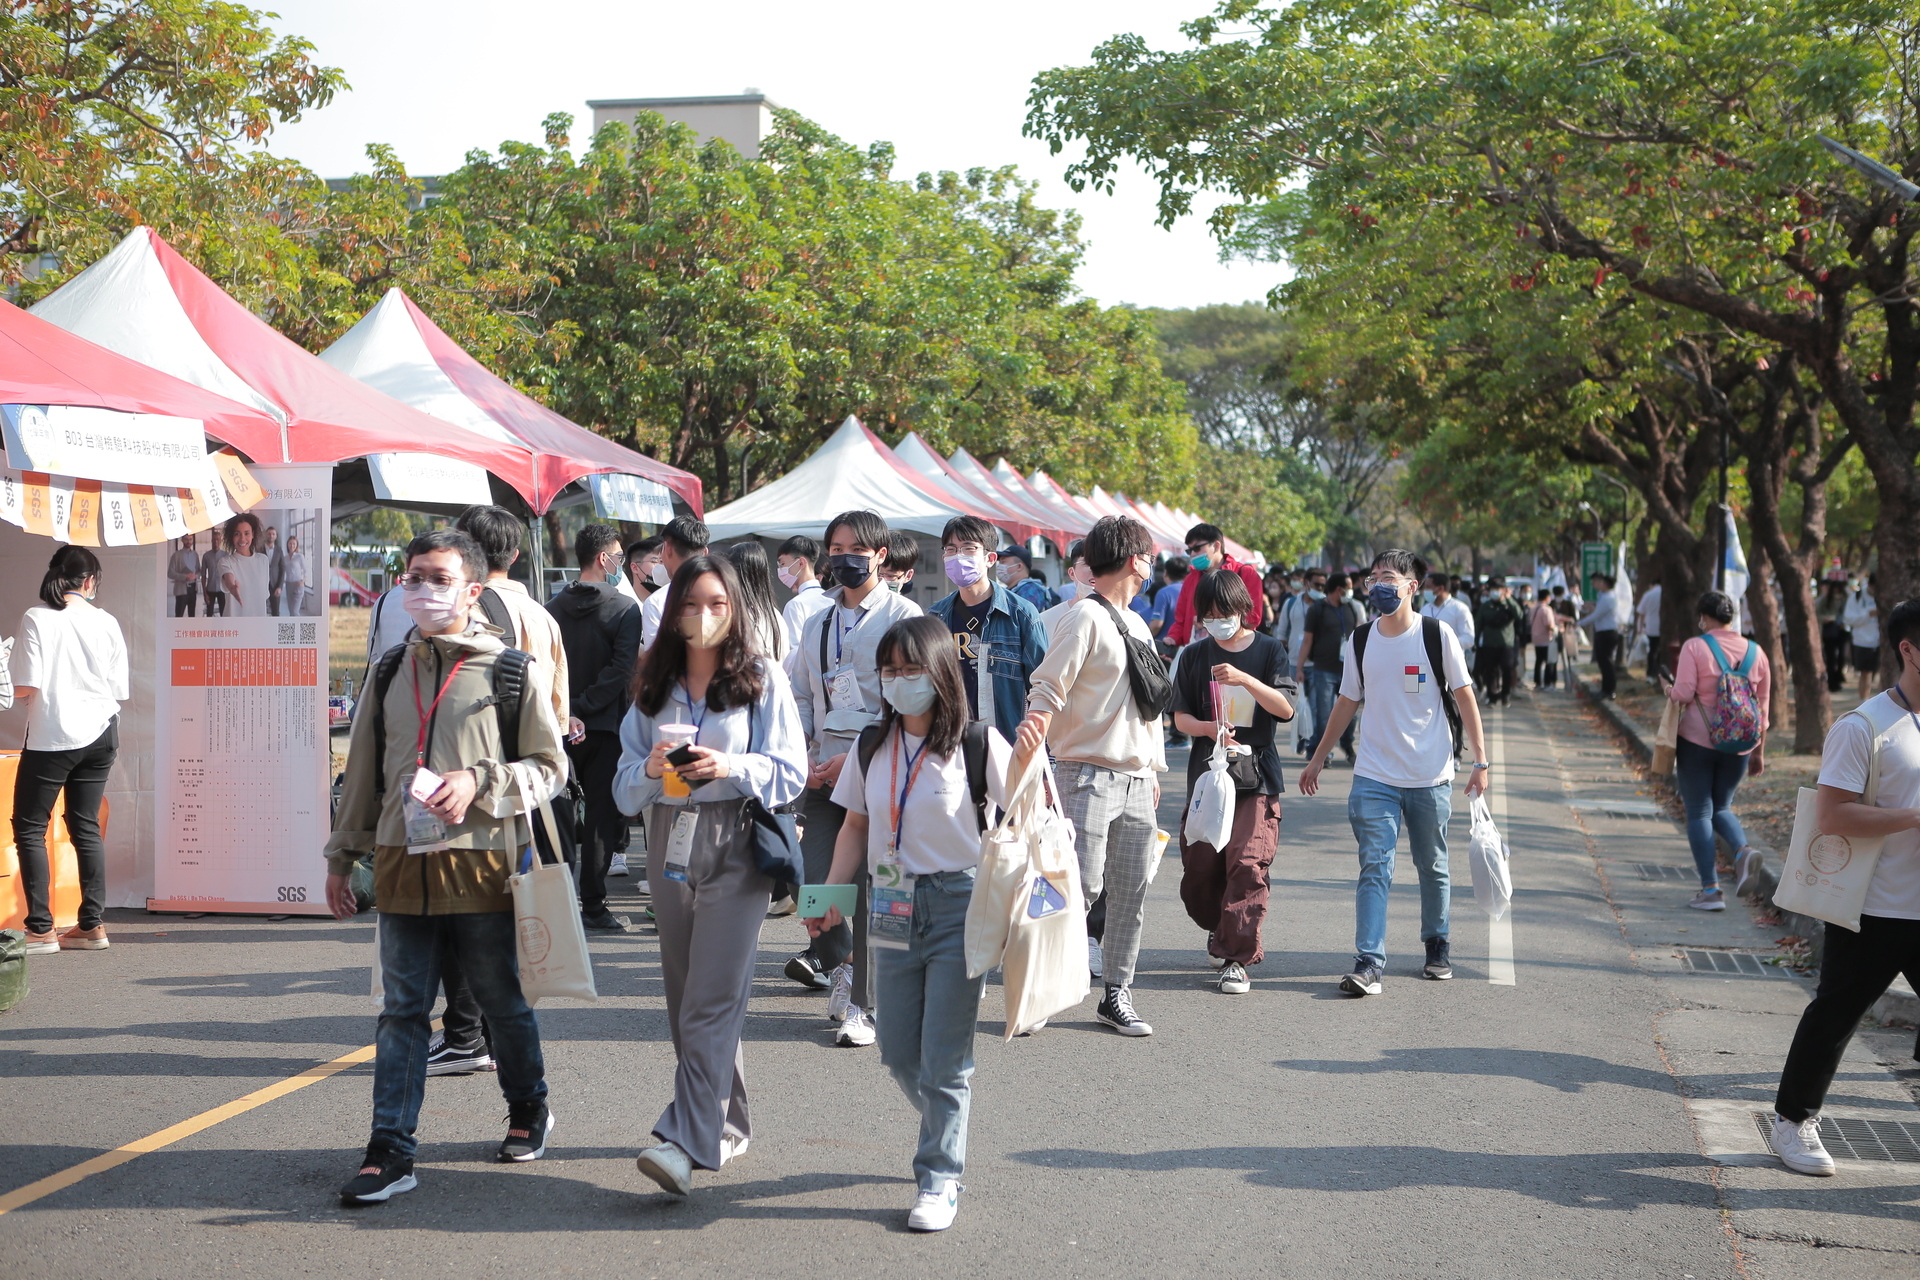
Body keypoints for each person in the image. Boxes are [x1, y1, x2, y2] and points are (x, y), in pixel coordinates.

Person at [324, 529, 568, 1204]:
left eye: (438, 578)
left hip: (482, 865)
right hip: (404, 864)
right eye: (413, 577)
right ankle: (390, 1150)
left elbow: (551, 768)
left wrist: (480, 780)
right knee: (402, 1011)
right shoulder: (391, 667)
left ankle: (528, 1107)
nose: (422, 590)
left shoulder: (510, 669)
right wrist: (342, 855)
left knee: (499, 1002)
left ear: (472, 589)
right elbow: (365, 770)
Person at [810, 616, 1023, 1230]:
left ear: (941, 674)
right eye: (890, 671)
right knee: (898, 1049)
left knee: (945, 1055)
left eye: (912, 670)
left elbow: (1028, 815)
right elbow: (854, 826)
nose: (900, 682)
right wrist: (826, 896)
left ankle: (938, 1176)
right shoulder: (872, 745)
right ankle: (945, 1123)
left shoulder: (978, 743)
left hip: (960, 902)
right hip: (889, 901)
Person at [612, 554, 807, 1197]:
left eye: (717, 604)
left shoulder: (763, 677)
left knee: (711, 999)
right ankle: (727, 1119)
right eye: (691, 604)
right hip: (667, 841)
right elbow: (620, 788)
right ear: (672, 613)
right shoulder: (651, 683)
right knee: (685, 996)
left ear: (737, 610)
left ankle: (683, 1141)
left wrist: (729, 766)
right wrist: (649, 771)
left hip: (736, 839)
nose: (703, 616)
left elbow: (789, 772)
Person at [419, 504, 575, 1077]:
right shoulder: (543, 614)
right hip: (527, 785)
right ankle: (495, 1035)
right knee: (509, 916)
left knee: (460, 923)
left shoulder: (460, 609)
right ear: (515, 552)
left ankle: (467, 1035)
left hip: (461, 786)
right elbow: (558, 708)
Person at [1768, 599, 1920, 1177]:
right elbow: (1833, 816)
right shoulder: (1864, 728)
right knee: (1836, 1014)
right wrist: (1912, 818)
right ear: (1907, 650)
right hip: (1875, 906)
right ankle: (1792, 1122)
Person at [1298, 549, 1489, 997]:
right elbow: (1347, 701)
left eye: (1390, 577)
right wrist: (1318, 756)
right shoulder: (1360, 640)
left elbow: (1464, 697)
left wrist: (1480, 762)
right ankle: (1369, 961)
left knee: (1432, 865)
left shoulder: (1437, 635)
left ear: (1412, 587)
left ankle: (1436, 943)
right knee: (1374, 867)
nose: (1380, 585)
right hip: (1374, 774)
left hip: (1430, 774)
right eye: (1374, 577)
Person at [1017, 515, 1168, 1037]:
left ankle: (1116, 993)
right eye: (1148, 554)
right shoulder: (1083, 618)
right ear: (1135, 560)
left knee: (1130, 893)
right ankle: (1034, 988)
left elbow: (1149, 709)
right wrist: (1030, 764)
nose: (1151, 563)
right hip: (1085, 775)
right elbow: (1046, 690)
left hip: (1134, 780)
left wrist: (1153, 770)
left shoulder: (1138, 623)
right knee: (1072, 890)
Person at [787, 510, 922, 1046]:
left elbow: (912, 700)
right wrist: (800, 746)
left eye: (854, 549)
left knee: (881, 891)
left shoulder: (903, 616)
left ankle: (867, 1002)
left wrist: (861, 754)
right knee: (817, 888)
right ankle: (841, 963)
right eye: (835, 548)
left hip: (883, 773)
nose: (843, 558)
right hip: (822, 775)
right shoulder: (816, 620)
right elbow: (801, 691)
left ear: (881, 555)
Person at [1168, 570, 1292, 995]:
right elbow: (1179, 716)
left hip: (1256, 778)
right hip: (1208, 778)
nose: (1217, 622)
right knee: (1201, 866)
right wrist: (1208, 729)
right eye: (1208, 616)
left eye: (1225, 613)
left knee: (1246, 861)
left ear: (1244, 609)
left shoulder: (1270, 650)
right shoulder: (1193, 655)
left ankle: (1237, 957)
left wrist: (1245, 680)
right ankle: (1220, 925)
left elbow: (1285, 709)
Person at [11, 546, 128, 955]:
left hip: (53, 734)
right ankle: (92, 925)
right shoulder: (108, 621)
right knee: (85, 826)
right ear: (90, 581)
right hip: (102, 732)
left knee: (29, 826)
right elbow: (119, 690)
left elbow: (26, 687)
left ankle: (41, 929)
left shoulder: (36, 618)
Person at [547, 524, 642, 933]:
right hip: (605, 726)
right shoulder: (625, 609)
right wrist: (586, 709)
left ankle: (559, 900)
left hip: (557, 725)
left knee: (559, 813)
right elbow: (622, 669)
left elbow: (544, 666)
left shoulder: (550, 607)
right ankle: (594, 904)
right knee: (602, 815)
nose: (620, 564)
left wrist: (568, 711)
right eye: (619, 557)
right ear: (604, 559)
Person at [1663, 590, 1769, 911]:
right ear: (1731, 617)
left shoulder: (1695, 646)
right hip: (1739, 745)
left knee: (1699, 812)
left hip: (1698, 741)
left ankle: (1710, 890)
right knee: (1721, 807)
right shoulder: (1757, 652)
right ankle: (1742, 851)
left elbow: (1683, 694)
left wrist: (1666, 688)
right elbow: (1762, 710)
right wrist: (1758, 752)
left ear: (1704, 618)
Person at [923, 515, 1048, 747]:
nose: (958, 556)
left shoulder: (1021, 615)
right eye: (951, 549)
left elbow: (1043, 687)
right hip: (952, 748)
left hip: (1007, 747)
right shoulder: (935, 618)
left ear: (990, 558)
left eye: (969, 548)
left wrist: (1043, 754)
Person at [1167, 523, 1264, 645]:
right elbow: (1181, 621)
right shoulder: (1190, 579)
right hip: (1197, 650)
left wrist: (1213, 623)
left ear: (1217, 545)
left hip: (1235, 648)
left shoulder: (1245, 573)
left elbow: (1253, 617)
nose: (1192, 554)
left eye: (1197, 548)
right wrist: (1172, 638)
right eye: (1189, 550)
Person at [1296, 573, 1358, 764]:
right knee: (1324, 715)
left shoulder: (1350, 608)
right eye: (1347, 587)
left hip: (1348, 670)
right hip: (1323, 669)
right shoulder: (1318, 609)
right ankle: (1321, 752)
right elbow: (1307, 640)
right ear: (1338, 589)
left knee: (1351, 716)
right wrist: (1299, 667)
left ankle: (1347, 745)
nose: (1350, 591)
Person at [640, 515, 712, 649]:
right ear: (705, 552)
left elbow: (656, 660)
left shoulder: (657, 602)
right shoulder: (727, 593)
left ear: (667, 549)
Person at [776, 535, 833, 671]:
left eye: (782, 564)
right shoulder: (833, 600)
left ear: (801, 563)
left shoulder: (796, 605)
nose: (780, 570)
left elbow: (794, 655)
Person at [1472, 581, 1527, 707]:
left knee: (1507, 669)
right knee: (1490, 671)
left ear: (1503, 590)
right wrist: (1476, 641)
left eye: (1498, 589)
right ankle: (1492, 697)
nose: (1495, 592)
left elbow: (1519, 615)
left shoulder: (1509, 604)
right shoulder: (1486, 606)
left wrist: (1508, 599)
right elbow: (1478, 624)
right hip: (1489, 644)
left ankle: (1505, 695)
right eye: (1493, 589)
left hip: (1506, 644)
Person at [218, 512, 272, 618]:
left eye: (246, 533)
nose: (242, 539)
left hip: (258, 626)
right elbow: (228, 578)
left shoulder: (263, 560)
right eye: (237, 534)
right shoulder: (226, 561)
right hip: (234, 628)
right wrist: (232, 587)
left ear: (253, 535)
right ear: (231, 537)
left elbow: (264, 594)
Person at [1580, 573, 1623, 699]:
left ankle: (1609, 691)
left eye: (1594, 582)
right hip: (1601, 632)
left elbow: (1596, 616)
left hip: (1607, 633)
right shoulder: (1602, 596)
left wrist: (1579, 623)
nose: (1593, 585)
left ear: (1602, 582)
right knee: (1602, 661)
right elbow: (1598, 612)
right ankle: (1605, 689)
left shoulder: (1608, 598)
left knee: (1606, 662)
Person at [1419, 572, 1476, 666]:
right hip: (1427, 663)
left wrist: (1446, 644)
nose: (1425, 590)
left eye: (1429, 587)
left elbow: (1469, 638)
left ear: (1440, 588)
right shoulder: (1425, 609)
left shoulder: (1459, 608)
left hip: (1452, 664)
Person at [1845, 574, 1881, 702]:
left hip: (1881, 641)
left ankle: (1881, 702)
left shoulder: (1884, 596)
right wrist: (1868, 614)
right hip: (1863, 641)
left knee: (1881, 673)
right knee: (1865, 673)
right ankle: (1864, 701)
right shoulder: (1857, 597)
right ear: (1870, 585)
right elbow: (1848, 619)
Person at [996, 544, 1057, 611]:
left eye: (1003, 562)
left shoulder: (1031, 591)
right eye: (1000, 563)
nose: (999, 566)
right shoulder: (1012, 590)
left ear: (1019, 566)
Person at [1149, 555, 1190, 650]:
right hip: (1185, 646)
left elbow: (1156, 624)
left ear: (1165, 572)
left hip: (1164, 647)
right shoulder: (1191, 591)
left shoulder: (1164, 593)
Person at [1816, 576, 1849, 693]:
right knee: (1831, 658)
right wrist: (1826, 618)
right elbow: (1816, 613)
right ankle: (1831, 681)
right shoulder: (1824, 599)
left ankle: (1838, 677)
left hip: (1842, 630)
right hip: (1829, 631)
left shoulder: (1847, 599)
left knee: (1841, 656)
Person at [1531, 590, 1567, 689]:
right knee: (1550, 661)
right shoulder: (1546, 609)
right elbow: (1549, 625)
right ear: (1547, 597)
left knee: (1538, 661)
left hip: (1536, 639)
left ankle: (1537, 682)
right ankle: (1548, 683)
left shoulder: (1534, 608)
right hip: (1547, 639)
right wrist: (1559, 629)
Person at [1636, 581, 1665, 680]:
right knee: (1662, 650)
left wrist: (1639, 628)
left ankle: (1651, 673)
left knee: (1652, 650)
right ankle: (1660, 671)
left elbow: (1641, 612)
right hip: (1664, 627)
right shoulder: (1666, 594)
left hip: (1651, 626)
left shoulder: (1648, 594)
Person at [167, 534, 200, 617]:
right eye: (186, 539)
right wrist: (185, 577)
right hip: (181, 590)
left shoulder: (195, 555)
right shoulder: (176, 555)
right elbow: (170, 573)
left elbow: (199, 571)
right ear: (182, 540)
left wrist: (195, 576)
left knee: (192, 615)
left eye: (190, 539)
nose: (188, 541)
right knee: (179, 615)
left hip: (193, 589)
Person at [627, 536, 666, 603]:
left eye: (664, 562)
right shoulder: (621, 606)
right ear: (635, 568)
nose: (662, 567)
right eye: (655, 562)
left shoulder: (671, 605)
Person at [881, 530, 920, 595]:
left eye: (890, 576)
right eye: (878, 574)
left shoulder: (905, 605)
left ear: (908, 576)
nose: (882, 580)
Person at [199, 526, 225, 617]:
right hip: (210, 589)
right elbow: (203, 575)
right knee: (209, 614)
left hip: (222, 589)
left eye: (217, 540)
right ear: (211, 541)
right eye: (214, 540)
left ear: (221, 541)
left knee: (224, 614)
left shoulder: (225, 555)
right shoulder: (206, 556)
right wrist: (204, 593)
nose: (216, 542)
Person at [282, 533, 309, 618]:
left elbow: (306, 571)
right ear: (287, 544)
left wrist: (302, 581)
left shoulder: (300, 556)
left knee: (295, 611)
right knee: (290, 611)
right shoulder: (285, 558)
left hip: (298, 584)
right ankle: (292, 629)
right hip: (288, 584)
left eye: (294, 543)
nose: (292, 545)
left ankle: (298, 629)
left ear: (296, 545)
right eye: (290, 543)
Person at [262, 524, 284, 617]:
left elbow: (282, 570)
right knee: (261, 610)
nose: (271, 536)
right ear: (266, 535)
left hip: (275, 585)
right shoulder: (260, 550)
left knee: (275, 611)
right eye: (269, 534)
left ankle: (274, 630)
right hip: (263, 584)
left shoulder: (279, 551)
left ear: (276, 536)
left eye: (273, 534)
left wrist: (279, 586)